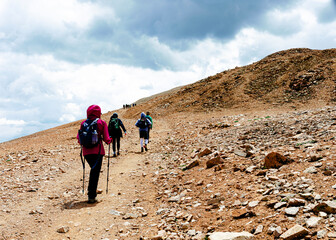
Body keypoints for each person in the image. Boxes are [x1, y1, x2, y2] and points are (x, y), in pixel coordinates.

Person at [77, 105, 111, 203]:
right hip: (98, 151)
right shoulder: (101, 123)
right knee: (95, 172)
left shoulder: (83, 123)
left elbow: (79, 139)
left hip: (86, 152)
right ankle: (91, 196)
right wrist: (110, 140)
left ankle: (91, 194)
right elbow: (106, 138)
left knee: (93, 170)